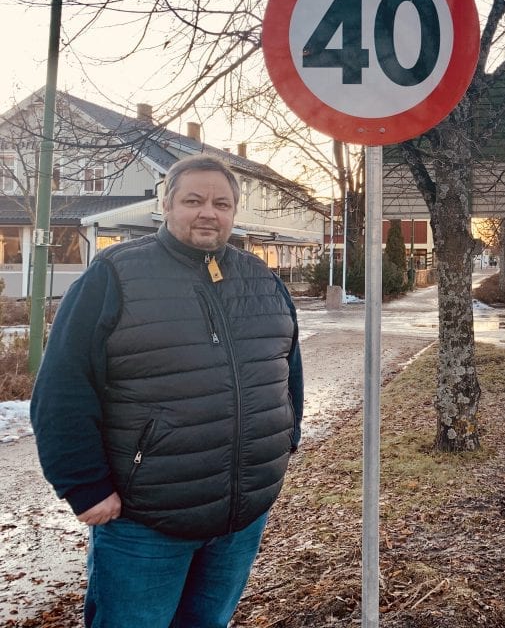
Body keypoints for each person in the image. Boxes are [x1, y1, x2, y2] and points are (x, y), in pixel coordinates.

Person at [31, 154, 304, 628]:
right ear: (166, 204)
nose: (208, 212)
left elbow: (287, 372)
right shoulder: (113, 276)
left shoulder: (261, 280)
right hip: (145, 521)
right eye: (193, 200)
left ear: (234, 212)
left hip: (240, 518)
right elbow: (61, 391)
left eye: (221, 203)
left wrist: (284, 442)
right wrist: (86, 487)